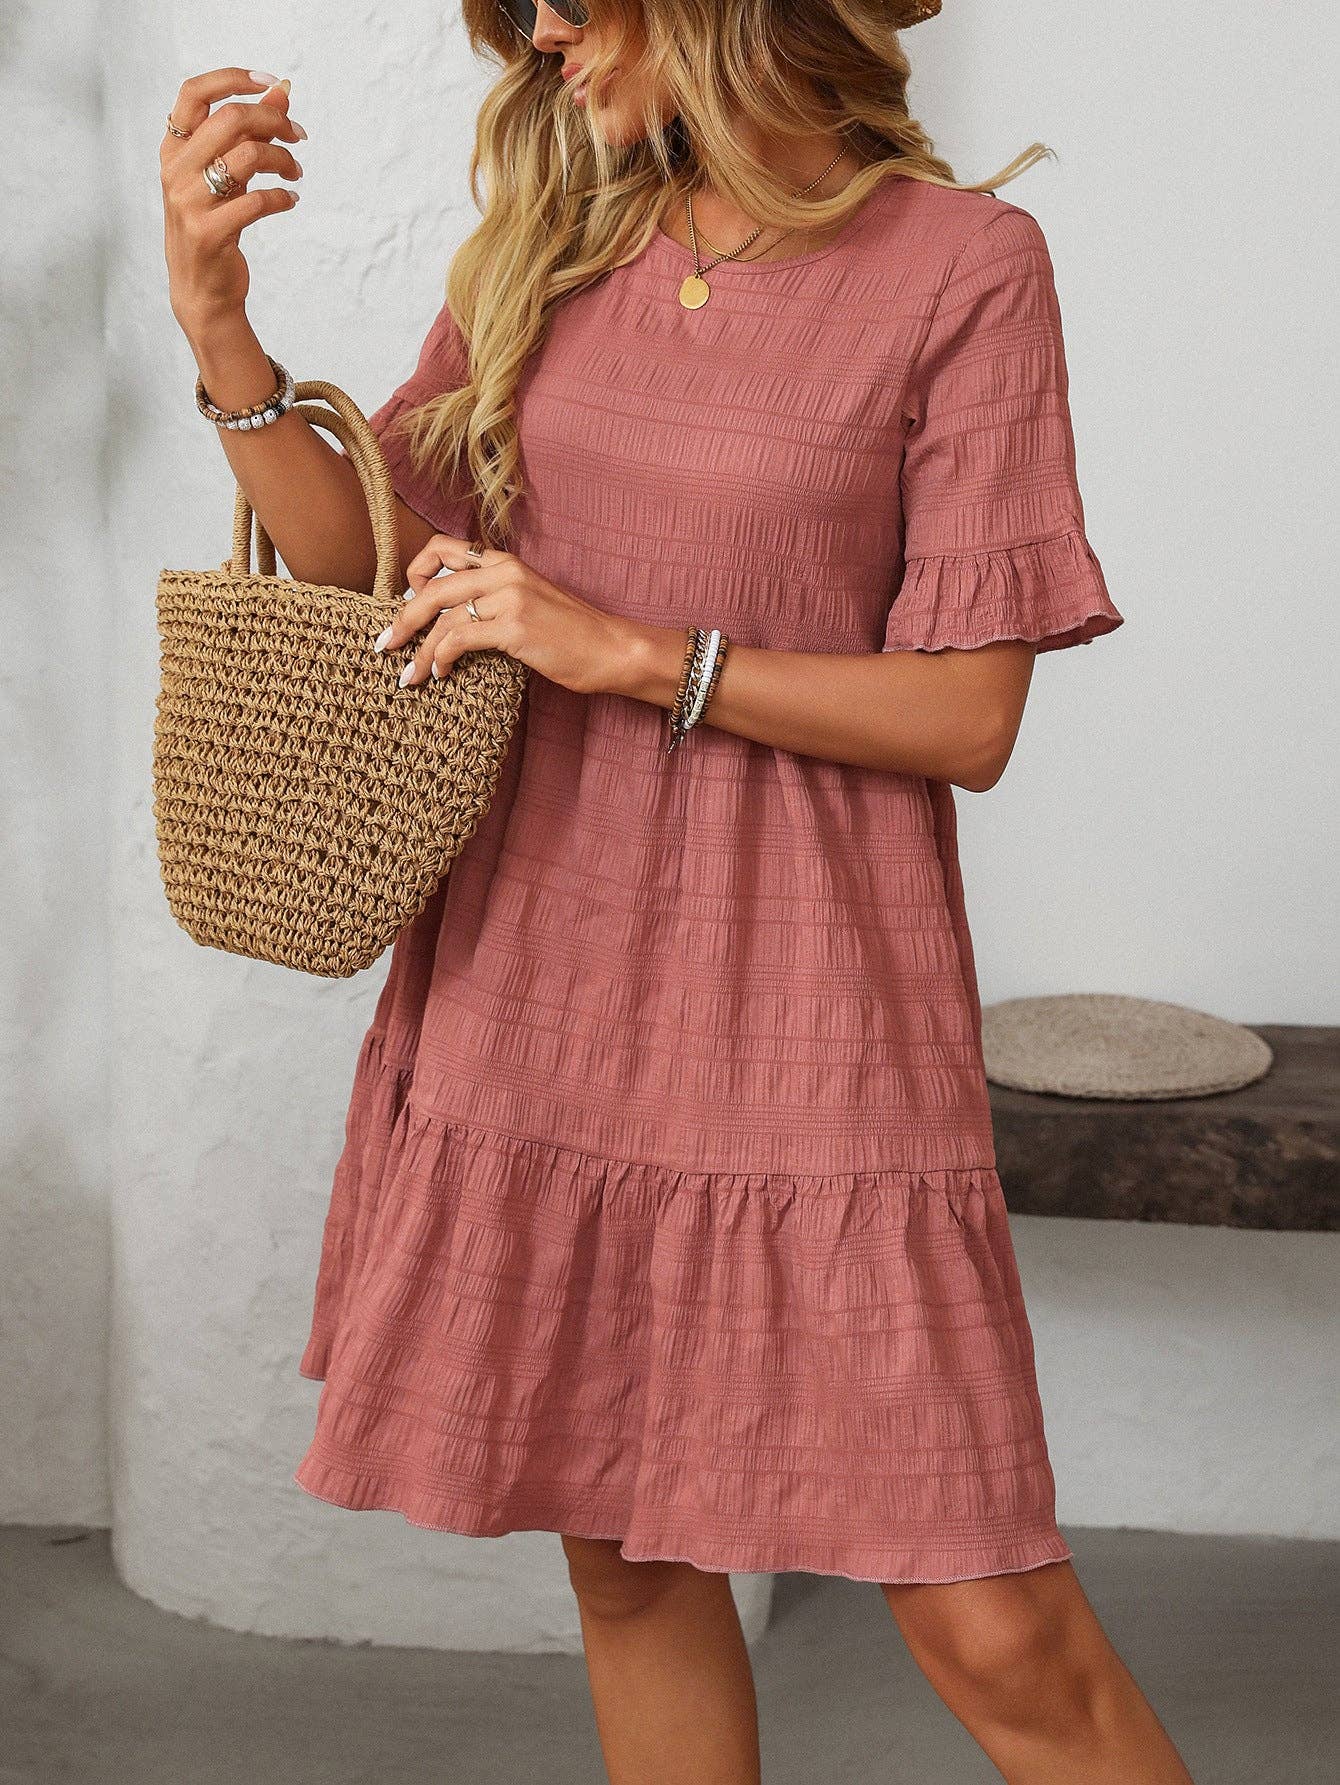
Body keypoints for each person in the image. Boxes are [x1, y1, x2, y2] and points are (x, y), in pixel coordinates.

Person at [158, 4, 1194, 1780]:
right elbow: (367, 569)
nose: (543, 27)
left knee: (994, 1618)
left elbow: (971, 712)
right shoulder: (554, 247)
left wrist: (636, 652)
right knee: (630, 1567)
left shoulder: (962, 268)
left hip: (812, 1021)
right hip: (541, 983)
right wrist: (219, 325)